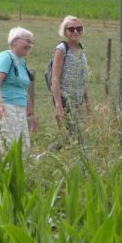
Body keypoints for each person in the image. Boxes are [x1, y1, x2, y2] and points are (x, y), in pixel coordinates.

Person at [0, 27, 38, 157]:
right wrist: (0, 104)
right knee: (11, 149)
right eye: (27, 41)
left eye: (31, 42)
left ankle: (18, 175)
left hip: (20, 109)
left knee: (24, 148)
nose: (30, 45)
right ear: (15, 41)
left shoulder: (22, 62)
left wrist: (31, 115)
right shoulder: (6, 57)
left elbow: (24, 90)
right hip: (7, 107)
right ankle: (7, 175)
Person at [50, 16, 90, 148]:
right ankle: (46, 157)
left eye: (79, 28)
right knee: (73, 136)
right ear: (65, 31)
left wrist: (87, 102)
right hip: (65, 98)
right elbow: (55, 78)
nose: (75, 32)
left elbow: (82, 79)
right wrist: (58, 105)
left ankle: (51, 158)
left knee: (71, 137)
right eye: (71, 29)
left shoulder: (81, 50)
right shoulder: (62, 49)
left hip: (77, 101)